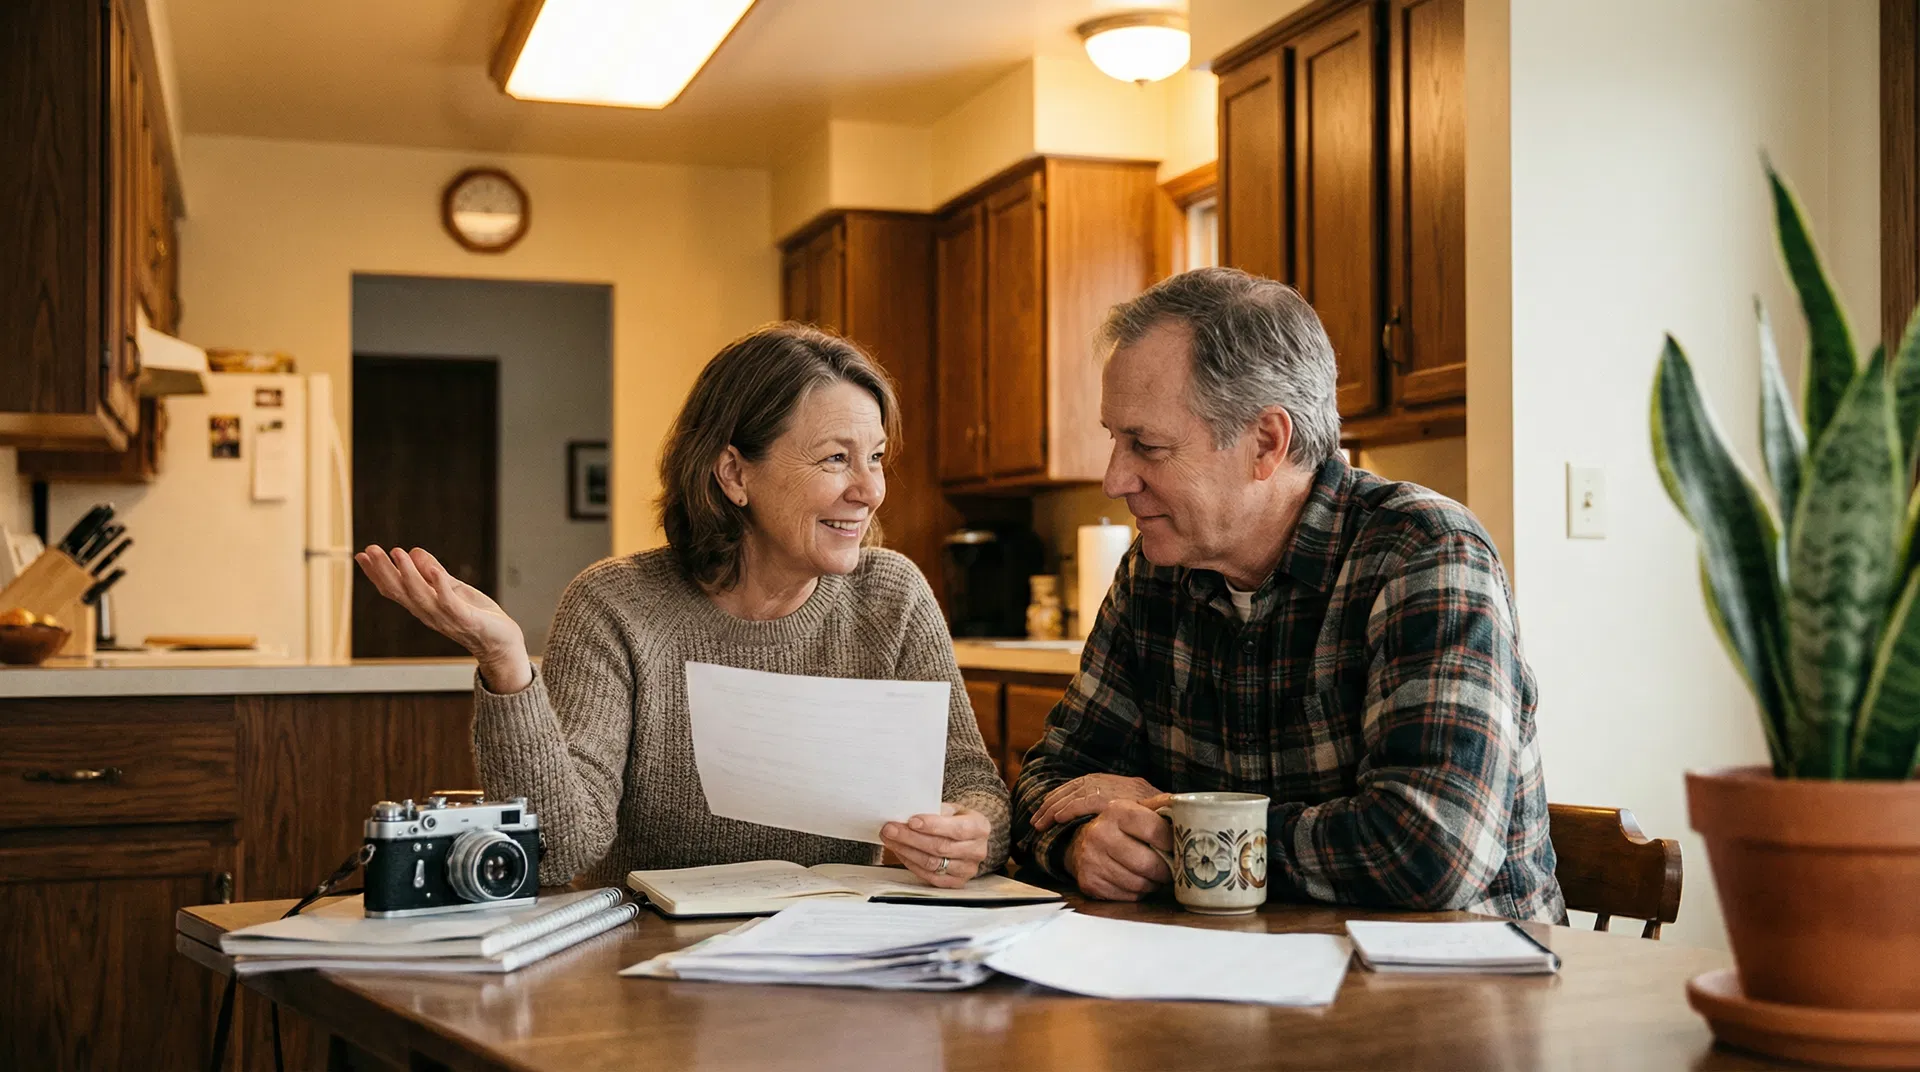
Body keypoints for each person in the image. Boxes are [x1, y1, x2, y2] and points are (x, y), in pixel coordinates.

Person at [358, 324, 1008, 890]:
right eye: (837, 460)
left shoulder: (891, 594)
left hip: (837, 956)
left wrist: (972, 830)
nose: (869, 490)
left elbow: (970, 779)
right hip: (647, 965)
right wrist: (506, 664)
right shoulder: (615, 606)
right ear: (734, 474)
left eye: (876, 459)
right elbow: (558, 853)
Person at [1011, 268, 1564, 921]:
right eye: (1114, 439)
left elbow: (1428, 851)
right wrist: (1081, 845)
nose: (1114, 478)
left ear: (1266, 443)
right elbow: (1045, 790)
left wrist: (1183, 825)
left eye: (1146, 446)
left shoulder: (1425, 553)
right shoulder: (1153, 573)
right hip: (1234, 981)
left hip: (1450, 994)